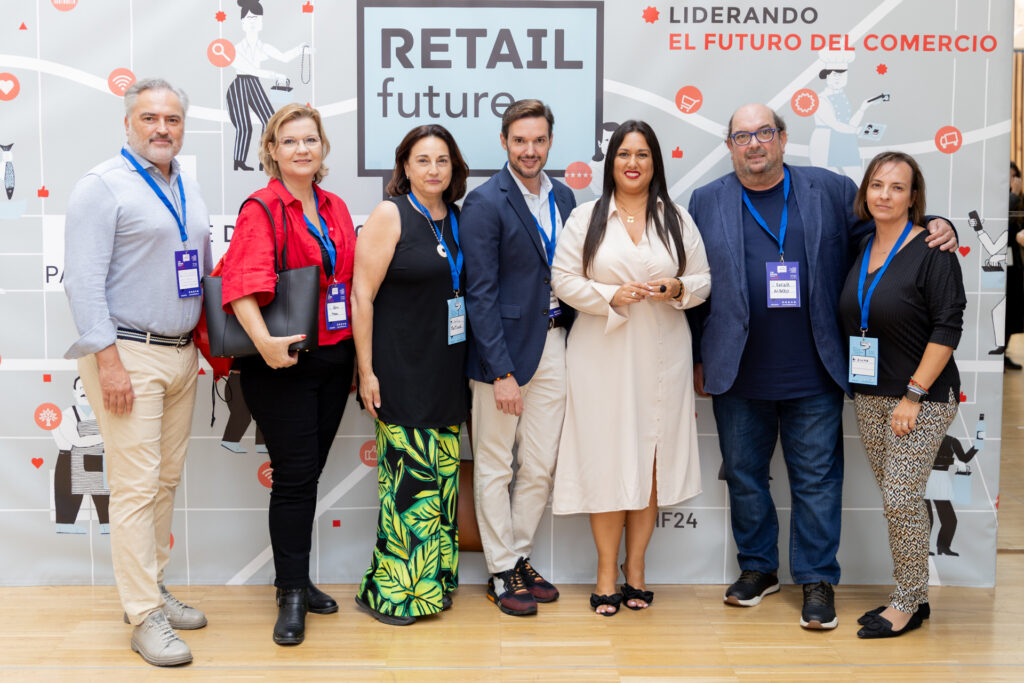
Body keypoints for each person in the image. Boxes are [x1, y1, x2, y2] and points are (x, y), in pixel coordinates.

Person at [686, 103, 957, 631]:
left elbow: (888, 234)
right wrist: (699, 355)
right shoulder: (706, 200)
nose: (754, 143)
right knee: (744, 476)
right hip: (737, 371)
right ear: (730, 146)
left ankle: (816, 579)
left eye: (765, 132)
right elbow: (695, 285)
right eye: (742, 136)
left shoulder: (830, 191)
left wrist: (936, 223)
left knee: (817, 480)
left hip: (814, 369)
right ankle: (758, 569)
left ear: (783, 138)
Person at [64, 78, 211, 667]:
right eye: (149, 117)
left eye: (172, 119)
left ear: (182, 126)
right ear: (127, 123)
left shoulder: (186, 185)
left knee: (164, 482)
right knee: (134, 487)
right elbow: (82, 282)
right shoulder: (101, 186)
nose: (161, 128)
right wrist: (108, 362)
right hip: (126, 353)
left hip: (181, 354)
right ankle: (143, 614)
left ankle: (153, 589)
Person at [551, 120, 711, 615]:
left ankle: (635, 569)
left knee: (651, 460)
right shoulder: (586, 217)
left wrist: (678, 289)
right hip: (601, 353)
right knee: (606, 460)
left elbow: (703, 279)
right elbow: (562, 279)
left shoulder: (677, 218)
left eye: (642, 154)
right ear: (611, 162)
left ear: (655, 163)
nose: (633, 163)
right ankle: (605, 574)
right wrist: (609, 294)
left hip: (663, 354)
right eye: (624, 154)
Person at [220, 103, 357, 646]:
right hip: (282, 363)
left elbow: (346, 282)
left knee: (307, 475)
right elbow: (239, 284)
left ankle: (297, 578)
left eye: (311, 140)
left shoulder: (335, 206)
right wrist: (265, 345)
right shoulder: (262, 207)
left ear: (323, 148)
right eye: (291, 141)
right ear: (272, 151)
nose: (302, 149)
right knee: (295, 478)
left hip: (333, 358)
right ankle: (291, 593)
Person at [839, 151, 966, 638]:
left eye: (897, 187)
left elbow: (948, 327)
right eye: (877, 184)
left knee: (900, 495)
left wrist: (913, 395)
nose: (885, 195)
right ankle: (913, 595)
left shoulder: (934, 248)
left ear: (914, 197)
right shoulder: (862, 244)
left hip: (922, 396)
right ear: (865, 191)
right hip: (870, 393)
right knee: (899, 500)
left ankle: (908, 601)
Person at [461, 99, 577, 616]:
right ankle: (501, 570)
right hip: (503, 354)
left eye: (539, 140)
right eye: (520, 140)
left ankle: (519, 556)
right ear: (505, 142)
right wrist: (500, 371)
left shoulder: (565, 197)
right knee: (493, 464)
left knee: (541, 464)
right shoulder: (485, 202)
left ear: (550, 142)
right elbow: (480, 293)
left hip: (554, 341)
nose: (530, 150)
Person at [351, 124, 470, 626]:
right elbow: (361, 295)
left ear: (453, 167)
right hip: (400, 370)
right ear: (405, 166)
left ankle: (433, 585)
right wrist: (366, 372)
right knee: (408, 489)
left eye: (442, 160)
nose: (433, 169)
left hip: (446, 372)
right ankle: (394, 594)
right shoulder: (391, 214)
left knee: (442, 484)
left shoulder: (457, 218)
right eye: (423, 160)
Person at [227, 0, 308, 171]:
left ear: (262, 21)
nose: (253, 21)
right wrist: (274, 75)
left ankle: (263, 160)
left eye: (256, 18)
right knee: (244, 126)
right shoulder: (235, 49)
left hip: (253, 84)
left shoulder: (263, 47)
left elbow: (284, 57)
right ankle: (239, 161)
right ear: (242, 22)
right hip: (239, 85)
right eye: (249, 18)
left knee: (270, 120)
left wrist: (300, 49)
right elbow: (250, 69)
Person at [1006, 162, 1023, 369]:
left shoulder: (1020, 199)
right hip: (996, 260)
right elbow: (1001, 219)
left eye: (1014, 176)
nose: (1011, 180)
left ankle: (1004, 353)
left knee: (1013, 307)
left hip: (1015, 260)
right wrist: (1013, 194)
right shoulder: (999, 198)